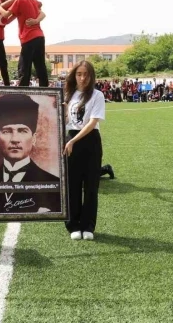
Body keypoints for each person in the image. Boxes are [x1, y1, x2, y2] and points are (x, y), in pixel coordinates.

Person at [0, 93, 61, 214]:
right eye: (7, 131)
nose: (15, 139)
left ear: (34, 139)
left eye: (22, 131)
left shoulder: (53, 183)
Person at [63, 61, 106, 241]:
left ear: (91, 76)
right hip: (70, 141)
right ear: (74, 75)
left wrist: (73, 140)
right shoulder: (68, 95)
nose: (82, 78)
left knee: (90, 186)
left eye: (86, 74)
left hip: (89, 142)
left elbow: (92, 122)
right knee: (72, 185)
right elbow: (65, 121)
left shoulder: (97, 95)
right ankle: (73, 224)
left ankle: (88, 225)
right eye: (79, 74)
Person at [0, 0, 47, 87]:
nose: (11, 1)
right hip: (40, 36)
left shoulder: (19, 1)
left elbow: (6, 14)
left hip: (29, 37)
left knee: (24, 67)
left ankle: (22, 92)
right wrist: (36, 20)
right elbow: (43, 13)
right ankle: (46, 90)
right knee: (40, 66)